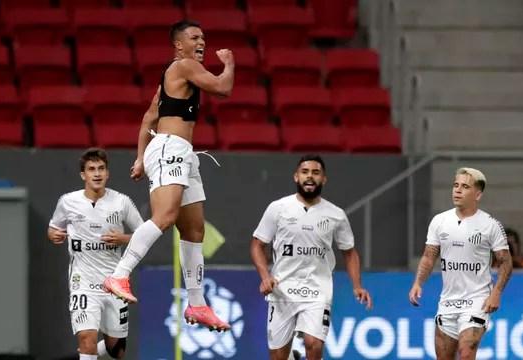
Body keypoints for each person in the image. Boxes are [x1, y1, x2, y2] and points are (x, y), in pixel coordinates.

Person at [103, 19, 235, 332]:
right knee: (165, 216)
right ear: (178, 45)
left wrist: (139, 158)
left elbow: (149, 116)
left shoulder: (172, 78)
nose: (201, 41)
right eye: (194, 37)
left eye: (203, 36)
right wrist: (229, 63)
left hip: (181, 152)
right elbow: (223, 88)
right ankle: (119, 274)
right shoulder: (185, 65)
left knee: (194, 231)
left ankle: (198, 304)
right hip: (170, 148)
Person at [250, 154, 373, 360]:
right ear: (296, 177)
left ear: (323, 179)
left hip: (318, 290)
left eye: (316, 173)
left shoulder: (336, 214)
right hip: (282, 289)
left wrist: (357, 285)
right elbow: (257, 244)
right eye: (305, 172)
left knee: (313, 345)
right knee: (278, 356)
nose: (310, 177)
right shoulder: (278, 208)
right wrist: (265, 276)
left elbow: (349, 251)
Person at [48, 148, 144, 360]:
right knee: (86, 338)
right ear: (83, 175)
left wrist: (122, 239)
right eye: (91, 169)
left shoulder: (122, 202)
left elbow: (146, 234)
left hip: (113, 283)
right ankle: (85, 353)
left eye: (101, 169)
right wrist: (53, 235)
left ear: (108, 173)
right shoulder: (67, 202)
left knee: (115, 350)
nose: (97, 174)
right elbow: (53, 228)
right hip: (82, 282)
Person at [409, 167, 513, 360]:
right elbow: (429, 256)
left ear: (478, 194)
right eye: (456, 185)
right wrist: (418, 283)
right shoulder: (440, 221)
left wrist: (496, 293)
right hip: (448, 301)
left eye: (465, 186)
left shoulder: (490, 225)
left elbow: (506, 262)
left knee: (466, 352)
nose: (457, 190)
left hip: (477, 300)